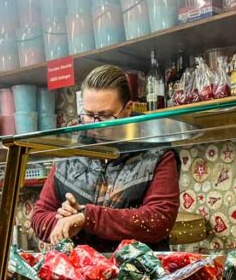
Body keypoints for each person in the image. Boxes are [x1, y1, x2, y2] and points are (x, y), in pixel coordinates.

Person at [31, 65, 179, 251]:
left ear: (128, 109)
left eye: (105, 116)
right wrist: (65, 221)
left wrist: (88, 217)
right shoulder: (69, 151)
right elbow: (38, 217)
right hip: (81, 272)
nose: (95, 126)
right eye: (88, 115)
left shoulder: (157, 152)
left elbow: (159, 220)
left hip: (139, 273)